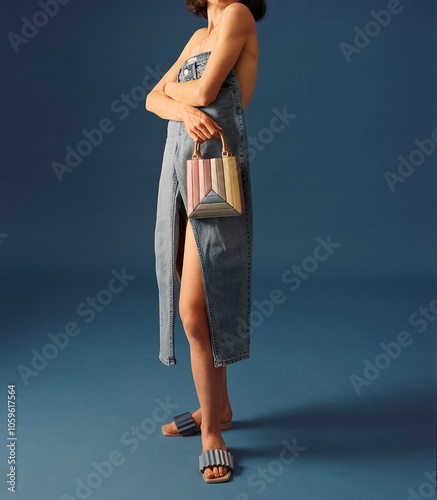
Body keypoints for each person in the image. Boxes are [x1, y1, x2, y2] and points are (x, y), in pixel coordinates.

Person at [145, 0, 266, 484]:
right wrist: (177, 99)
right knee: (194, 301)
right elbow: (151, 99)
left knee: (197, 310)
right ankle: (221, 407)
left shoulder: (238, 14)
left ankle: (212, 431)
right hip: (175, 169)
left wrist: (172, 92)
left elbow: (207, 90)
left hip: (213, 171)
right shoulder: (199, 37)